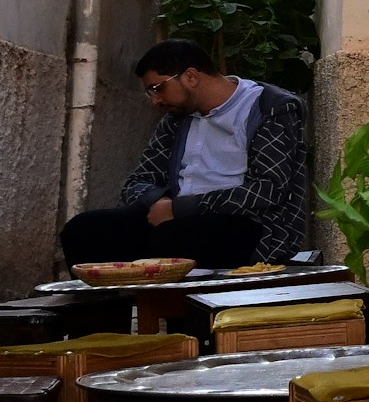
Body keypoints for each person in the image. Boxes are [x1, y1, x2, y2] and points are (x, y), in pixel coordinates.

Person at [61, 42, 311, 269]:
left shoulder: (271, 108)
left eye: (157, 89)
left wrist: (182, 209)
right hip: (177, 218)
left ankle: (185, 319)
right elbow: (136, 181)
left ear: (191, 77)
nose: (154, 100)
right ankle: (104, 319)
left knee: (171, 239)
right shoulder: (176, 119)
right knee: (84, 231)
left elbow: (268, 189)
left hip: (251, 224)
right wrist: (159, 204)